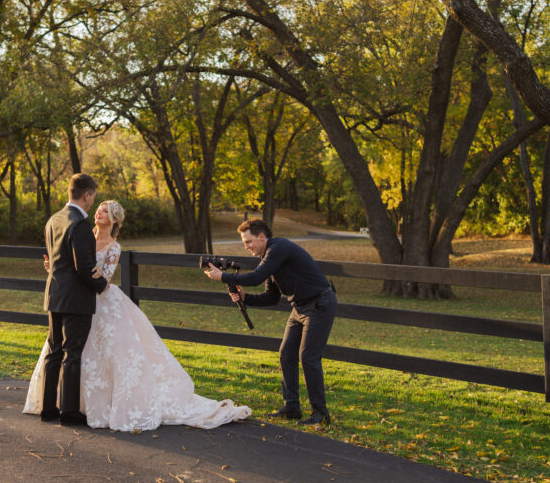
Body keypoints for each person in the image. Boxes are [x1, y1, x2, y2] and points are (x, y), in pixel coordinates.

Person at [25, 200, 251, 431]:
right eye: (99, 209)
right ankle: (67, 403)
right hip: (75, 300)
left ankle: (98, 404)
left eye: (106, 211)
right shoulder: (81, 233)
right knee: (66, 351)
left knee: (105, 354)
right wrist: (56, 266)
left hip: (101, 301)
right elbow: (71, 265)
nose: (100, 213)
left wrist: (84, 272)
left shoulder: (113, 246)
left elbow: (104, 278)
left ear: (114, 220)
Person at [203, 219, 336, 428]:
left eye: (248, 241)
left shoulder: (279, 248)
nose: (246, 246)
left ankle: (321, 414)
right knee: (286, 354)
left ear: (262, 237)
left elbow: (256, 277)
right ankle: (291, 408)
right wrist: (245, 298)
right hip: (299, 308)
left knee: (308, 357)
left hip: (319, 303)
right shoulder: (269, 258)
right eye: (244, 242)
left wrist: (223, 277)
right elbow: (270, 297)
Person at [37, 173, 108, 426]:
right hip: (76, 298)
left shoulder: (54, 219)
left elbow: (55, 258)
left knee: (54, 352)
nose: (92, 201)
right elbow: (84, 266)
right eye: (93, 196)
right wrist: (102, 284)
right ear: (87, 194)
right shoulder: (79, 224)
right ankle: (68, 412)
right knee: (72, 354)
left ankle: (47, 409)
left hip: (54, 295)